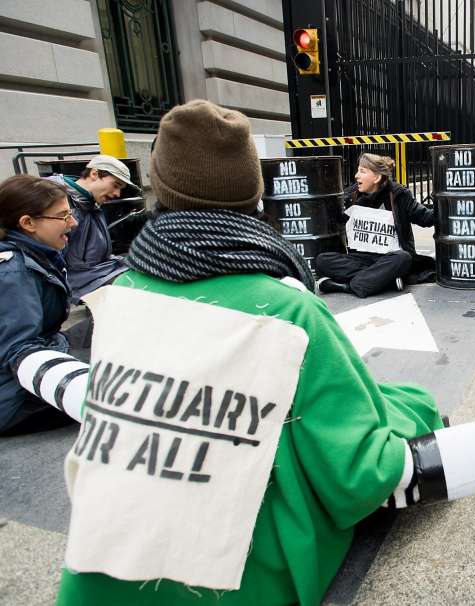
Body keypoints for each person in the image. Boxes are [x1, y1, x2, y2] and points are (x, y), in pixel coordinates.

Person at [56, 100, 443, 605]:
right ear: (252, 195)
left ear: (161, 188)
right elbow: (358, 474)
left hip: (98, 574)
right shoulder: (287, 309)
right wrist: (418, 411)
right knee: (404, 402)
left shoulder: (119, 295)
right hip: (238, 581)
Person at [0, 175, 80, 436]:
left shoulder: (36, 254)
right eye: (63, 216)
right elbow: (20, 352)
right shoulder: (14, 271)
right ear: (28, 223)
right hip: (12, 399)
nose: (73, 222)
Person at [314, 153, 435, 297]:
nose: (356, 176)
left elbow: (426, 218)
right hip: (362, 260)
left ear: (377, 177)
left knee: (404, 258)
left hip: (391, 258)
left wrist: (441, 198)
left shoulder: (399, 194)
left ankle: (348, 286)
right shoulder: (352, 195)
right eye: (357, 170)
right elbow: (336, 218)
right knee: (322, 260)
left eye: (362, 171)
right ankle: (385, 279)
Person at [44, 154, 139, 300]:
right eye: (115, 185)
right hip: (83, 278)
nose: (117, 194)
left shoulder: (88, 201)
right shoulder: (65, 204)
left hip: (98, 270)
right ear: (94, 173)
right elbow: (53, 261)